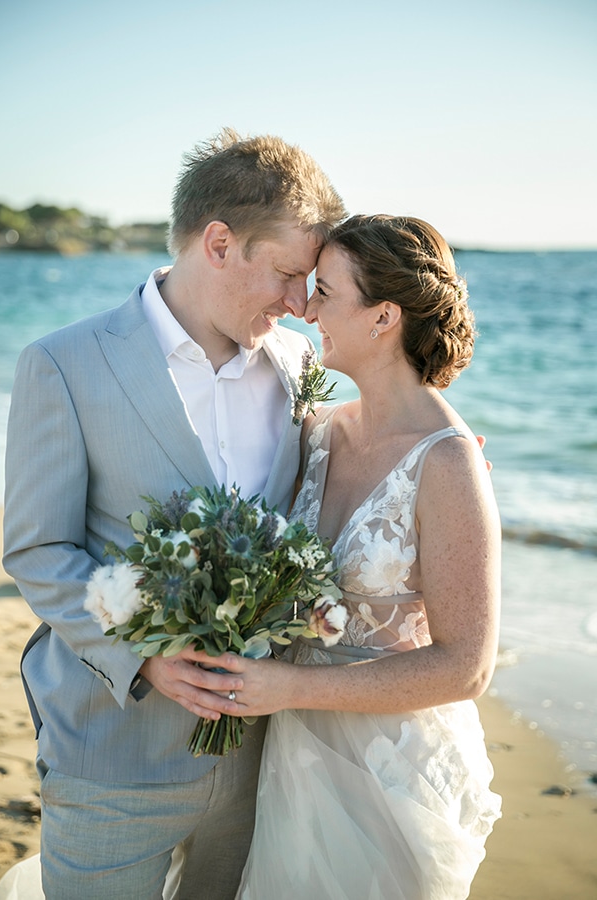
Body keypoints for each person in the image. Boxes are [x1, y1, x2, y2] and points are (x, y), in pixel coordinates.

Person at [1, 128, 345, 899]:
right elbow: (38, 550)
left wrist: (429, 460)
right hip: (112, 752)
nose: (300, 304)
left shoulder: (300, 366)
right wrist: (146, 656)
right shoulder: (63, 363)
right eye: (290, 274)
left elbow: (319, 501)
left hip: (258, 760)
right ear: (219, 243)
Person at [211, 214, 502, 899]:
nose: (306, 310)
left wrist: (290, 689)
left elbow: (468, 666)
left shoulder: (449, 462)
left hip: (388, 782)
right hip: (294, 758)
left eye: (325, 292)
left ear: (383, 318)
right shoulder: (319, 432)